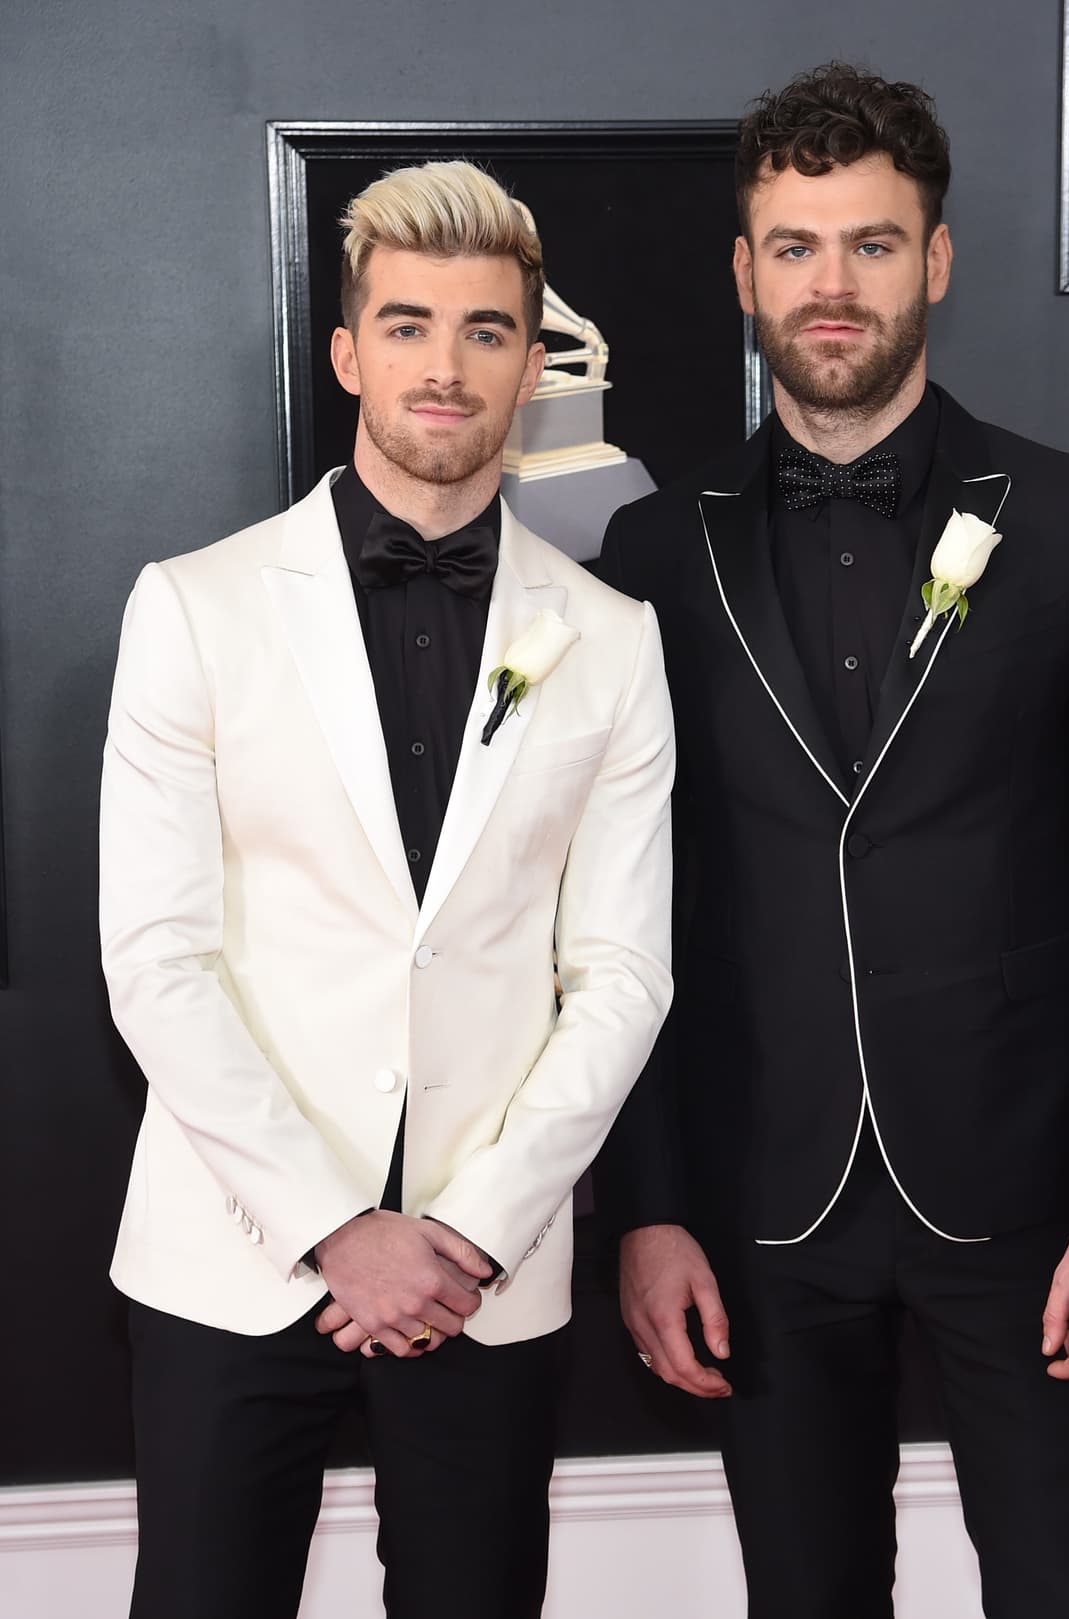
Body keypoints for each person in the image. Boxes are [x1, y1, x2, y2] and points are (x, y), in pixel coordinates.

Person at [594, 63, 1069, 1619]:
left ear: (933, 261)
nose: (833, 284)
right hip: (761, 1203)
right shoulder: (655, 551)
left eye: (871, 244)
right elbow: (621, 913)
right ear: (743, 272)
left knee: (1062, 1592)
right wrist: (651, 1209)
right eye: (796, 247)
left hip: (1031, 1200)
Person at [100, 159, 674, 1619]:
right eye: (408, 325)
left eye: (486, 331)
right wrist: (333, 1229)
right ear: (349, 353)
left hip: (486, 1269)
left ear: (531, 369)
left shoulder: (613, 640)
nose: (445, 367)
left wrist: (469, 1232)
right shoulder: (194, 606)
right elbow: (156, 959)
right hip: (234, 1258)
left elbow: (621, 976)